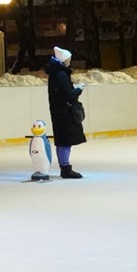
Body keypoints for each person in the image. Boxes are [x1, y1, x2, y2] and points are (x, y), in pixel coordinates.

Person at [45, 46, 87, 179]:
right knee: (65, 140)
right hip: (63, 112)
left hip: (60, 111)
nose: (70, 62)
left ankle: (65, 166)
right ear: (63, 61)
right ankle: (65, 168)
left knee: (64, 140)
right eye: (69, 60)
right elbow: (68, 94)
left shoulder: (57, 73)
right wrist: (79, 90)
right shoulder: (61, 75)